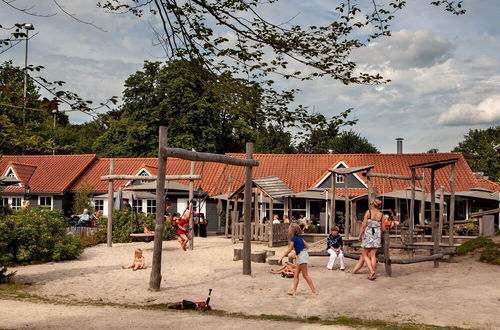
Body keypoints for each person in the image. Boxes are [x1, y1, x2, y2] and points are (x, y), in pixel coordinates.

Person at [278, 223, 318, 296]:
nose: (288, 230)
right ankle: (294, 291)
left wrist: (282, 256)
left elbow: (289, 249)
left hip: (302, 256)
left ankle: (314, 291)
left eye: (289, 229)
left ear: (293, 230)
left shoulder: (293, 238)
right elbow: (307, 246)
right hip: (301, 255)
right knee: (296, 274)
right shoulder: (300, 238)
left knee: (305, 275)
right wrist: (299, 251)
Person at [357, 199, 386, 280]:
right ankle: (371, 274)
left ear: (373, 205)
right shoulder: (381, 214)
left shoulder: (368, 212)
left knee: (364, 253)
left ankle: (372, 271)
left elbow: (363, 225)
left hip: (368, 233)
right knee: (373, 255)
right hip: (377, 234)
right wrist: (380, 233)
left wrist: (360, 235)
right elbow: (383, 229)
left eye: (370, 203)